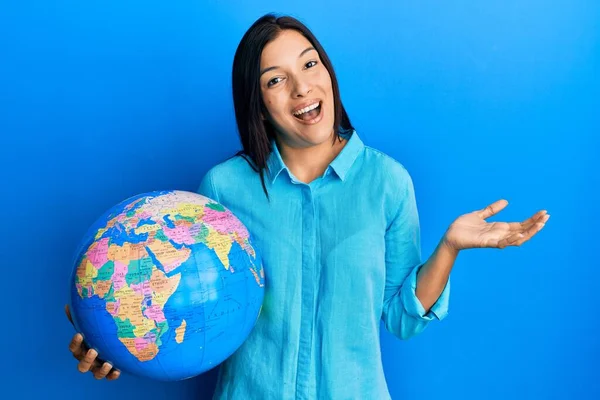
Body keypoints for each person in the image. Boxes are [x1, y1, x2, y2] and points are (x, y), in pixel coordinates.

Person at [66, 13, 549, 399]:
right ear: (257, 103)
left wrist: (449, 248)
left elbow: (402, 320)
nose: (302, 89)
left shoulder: (387, 182)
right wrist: (113, 335)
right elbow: (190, 300)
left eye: (310, 64)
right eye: (276, 80)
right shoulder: (223, 187)